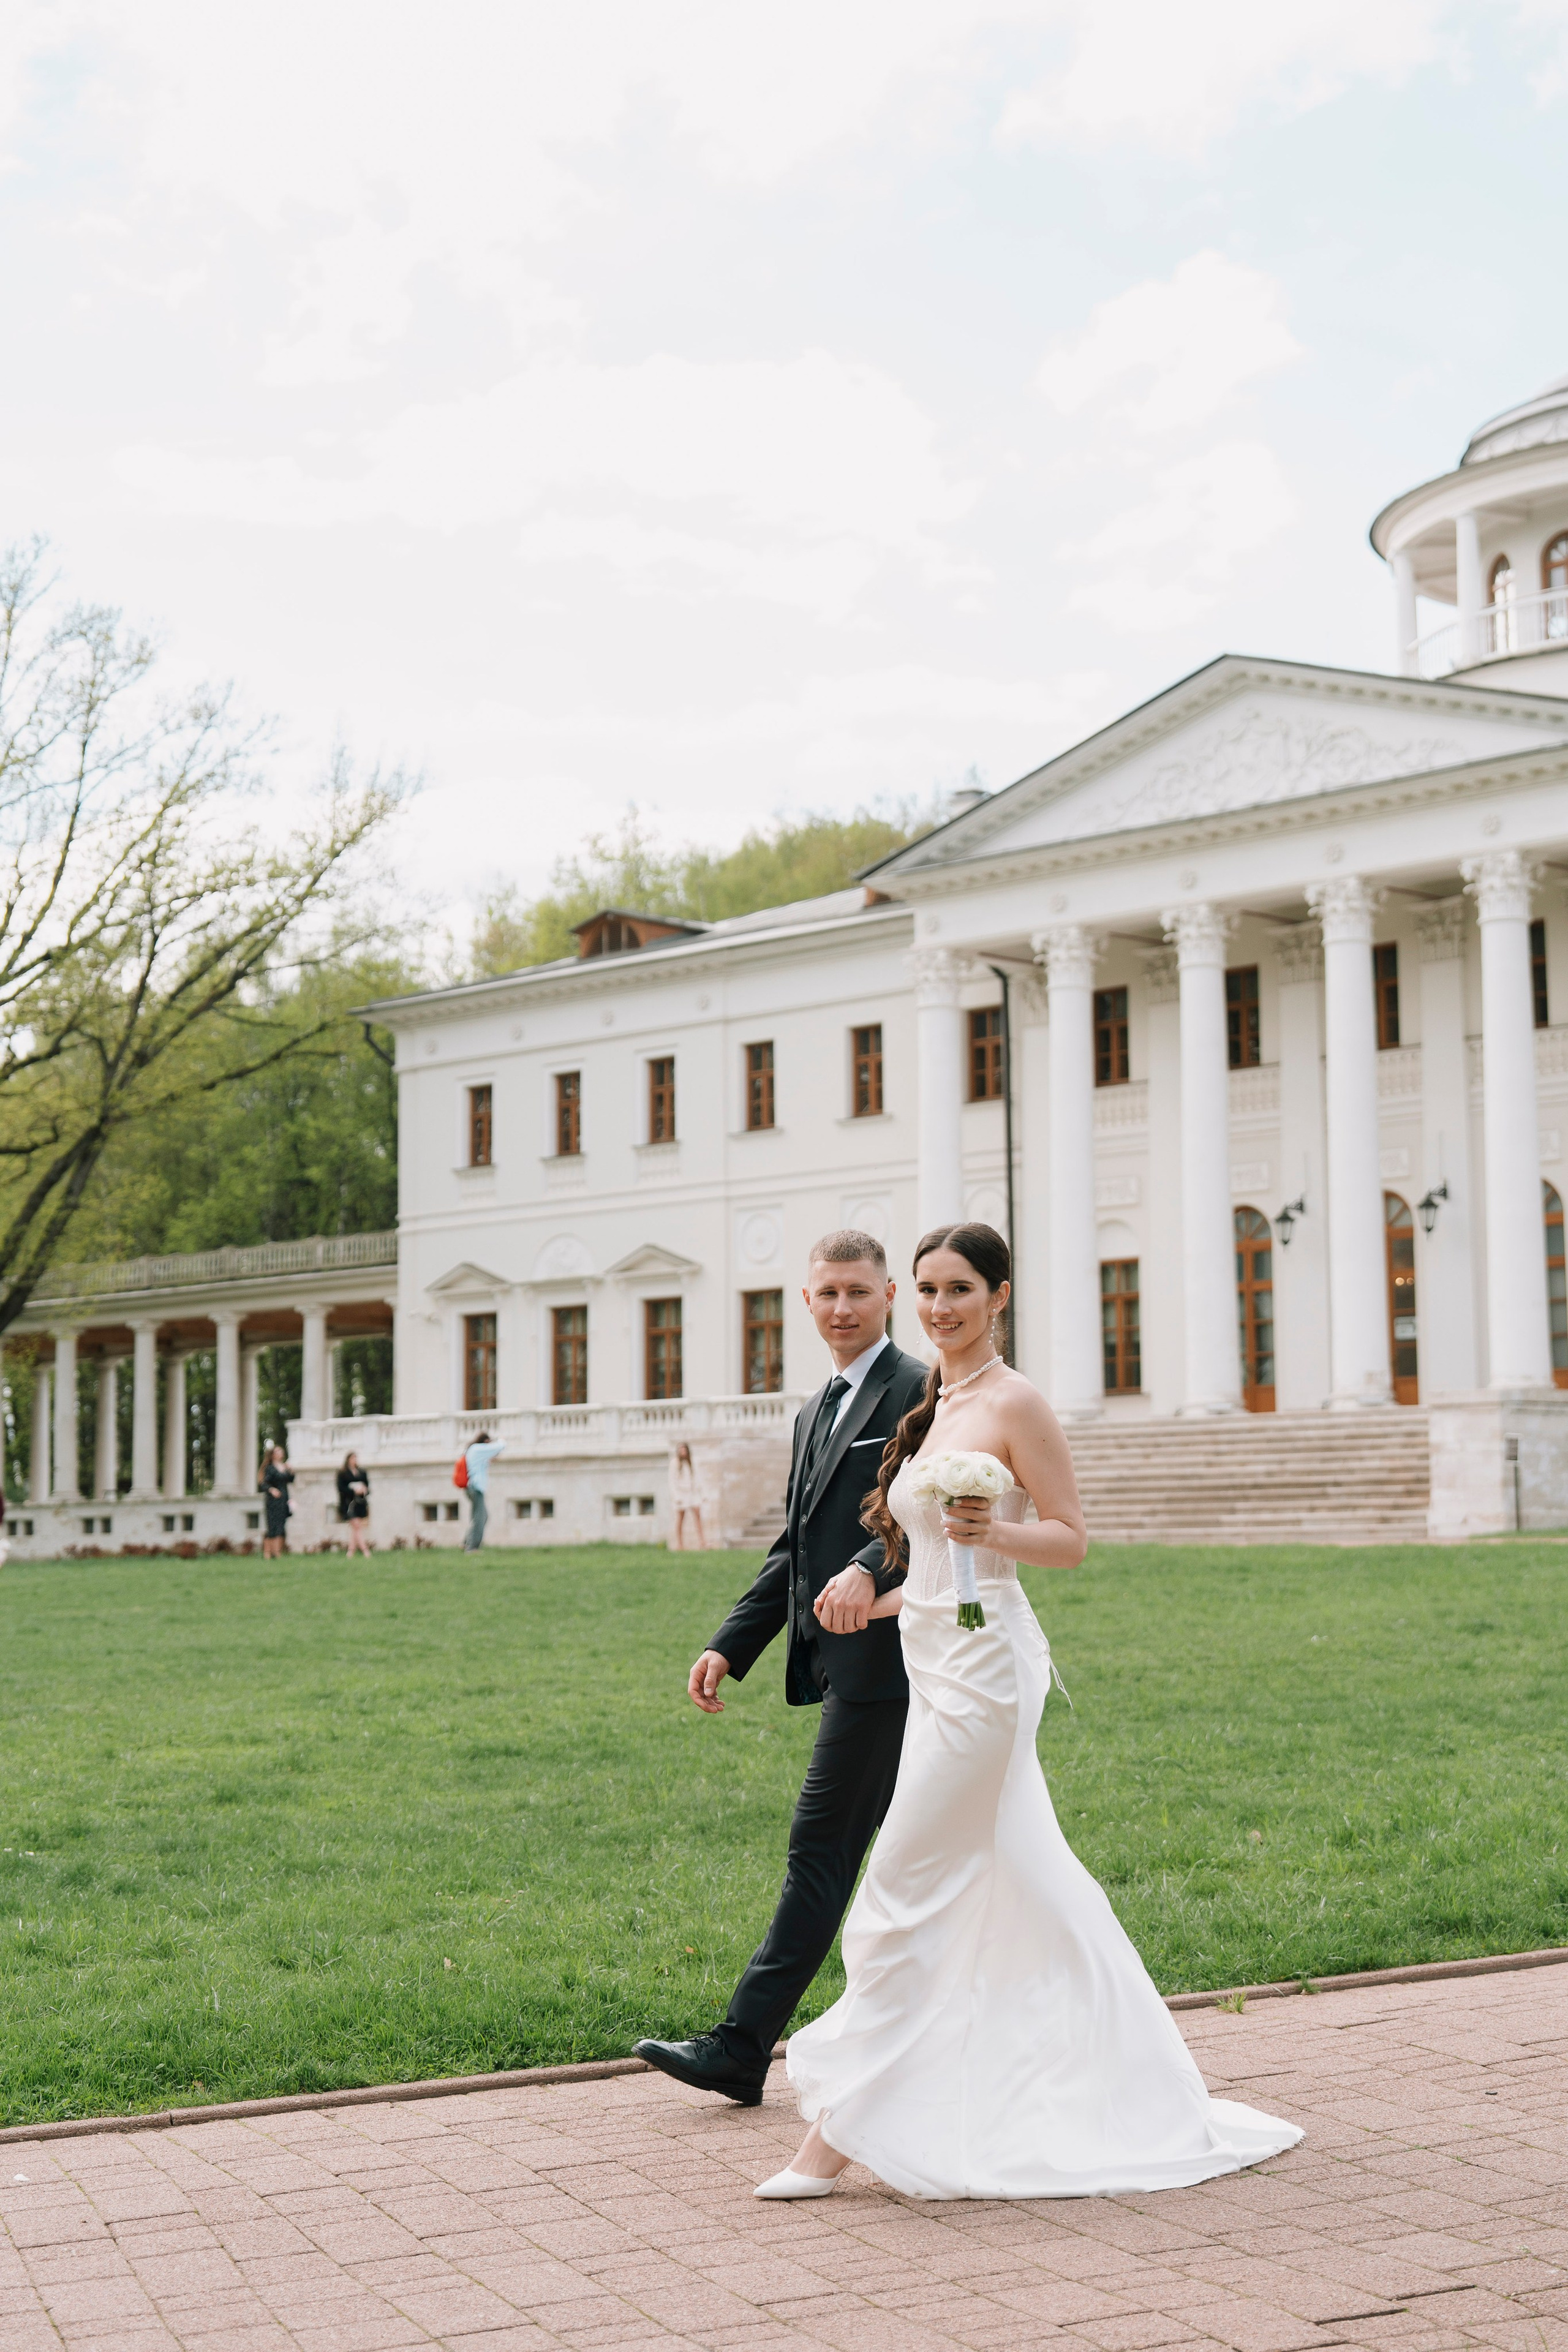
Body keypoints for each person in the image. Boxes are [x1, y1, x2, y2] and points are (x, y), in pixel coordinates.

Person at [756, 1223, 1302, 2203]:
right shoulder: (935, 1401)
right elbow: (931, 1569)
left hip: (988, 1681)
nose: (939, 1307)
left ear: (999, 1297)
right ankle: (1116, 2072)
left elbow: (1071, 1540)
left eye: (959, 1288)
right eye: (925, 1289)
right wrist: (865, 1597)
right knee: (1020, 1888)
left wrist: (997, 1526)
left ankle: (831, 2140)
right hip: (934, 1667)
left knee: (898, 1892)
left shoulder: (1016, 1403)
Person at [635, 1230, 929, 2106]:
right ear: (806, 1302)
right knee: (893, 1859)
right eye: (826, 1293)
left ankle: (741, 2044)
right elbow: (795, 1549)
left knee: (822, 1851)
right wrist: (732, 1642)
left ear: (889, 1298)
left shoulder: (919, 1390)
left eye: (858, 1292)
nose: (841, 1307)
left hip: (900, 1663)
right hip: (848, 1661)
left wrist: (870, 1571)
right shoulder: (815, 1409)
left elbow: (929, 1520)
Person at [462, 1430, 504, 1550]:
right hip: (475, 1488)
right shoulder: (477, 1449)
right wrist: (502, 1439)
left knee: (478, 1517)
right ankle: (472, 1547)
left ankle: (466, 1543)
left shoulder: (472, 1450)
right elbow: (500, 1447)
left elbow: (483, 1462)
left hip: (472, 1488)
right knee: (481, 1517)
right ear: (486, 1441)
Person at [668, 1440, 704, 1551]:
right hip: (681, 1494)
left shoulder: (692, 1462)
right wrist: (676, 1497)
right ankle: (680, 1544)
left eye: (684, 1449)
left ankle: (702, 1542)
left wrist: (701, 1493)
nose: (683, 1451)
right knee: (681, 1519)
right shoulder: (675, 1463)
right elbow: (672, 1481)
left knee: (698, 1516)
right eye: (681, 1449)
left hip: (692, 1494)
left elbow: (698, 1478)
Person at [259, 1443, 293, 1559]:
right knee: (272, 1526)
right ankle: (268, 1552)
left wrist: (291, 1470)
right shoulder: (270, 1468)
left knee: (281, 1525)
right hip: (273, 1500)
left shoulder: (284, 1467)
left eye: (281, 1451)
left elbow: (291, 1480)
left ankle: (277, 1552)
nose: (281, 1454)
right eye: (278, 1452)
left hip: (284, 1499)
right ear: (273, 1455)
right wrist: (272, 1490)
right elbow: (263, 1484)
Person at [337, 1450, 372, 1556]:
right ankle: (365, 1550)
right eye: (352, 1458)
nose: (354, 1460)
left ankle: (351, 1551)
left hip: (360, 1503)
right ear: (348, 1460)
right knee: (356, 1525)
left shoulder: (362, 1472)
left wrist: (364, 1490)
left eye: (356, 1458)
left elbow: (368, 1487)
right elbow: (341, 1488)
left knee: (356, 1527)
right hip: (349, 1503)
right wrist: (353, 1490)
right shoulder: (343, 1473)